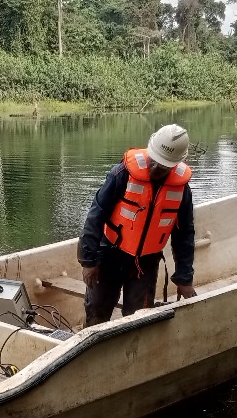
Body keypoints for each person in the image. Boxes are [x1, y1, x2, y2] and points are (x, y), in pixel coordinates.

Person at [78, 124, 198, 327]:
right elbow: (95, 217)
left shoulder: (181, 189)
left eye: (163, 165)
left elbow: (184, 235)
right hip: (109, 254)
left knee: (138, 319)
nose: (156, 168)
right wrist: (89, 262)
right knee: (97, 311)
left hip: (146, 263)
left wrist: (184, 278)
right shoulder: (121, 174)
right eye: (155, 161)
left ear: (176, 163)